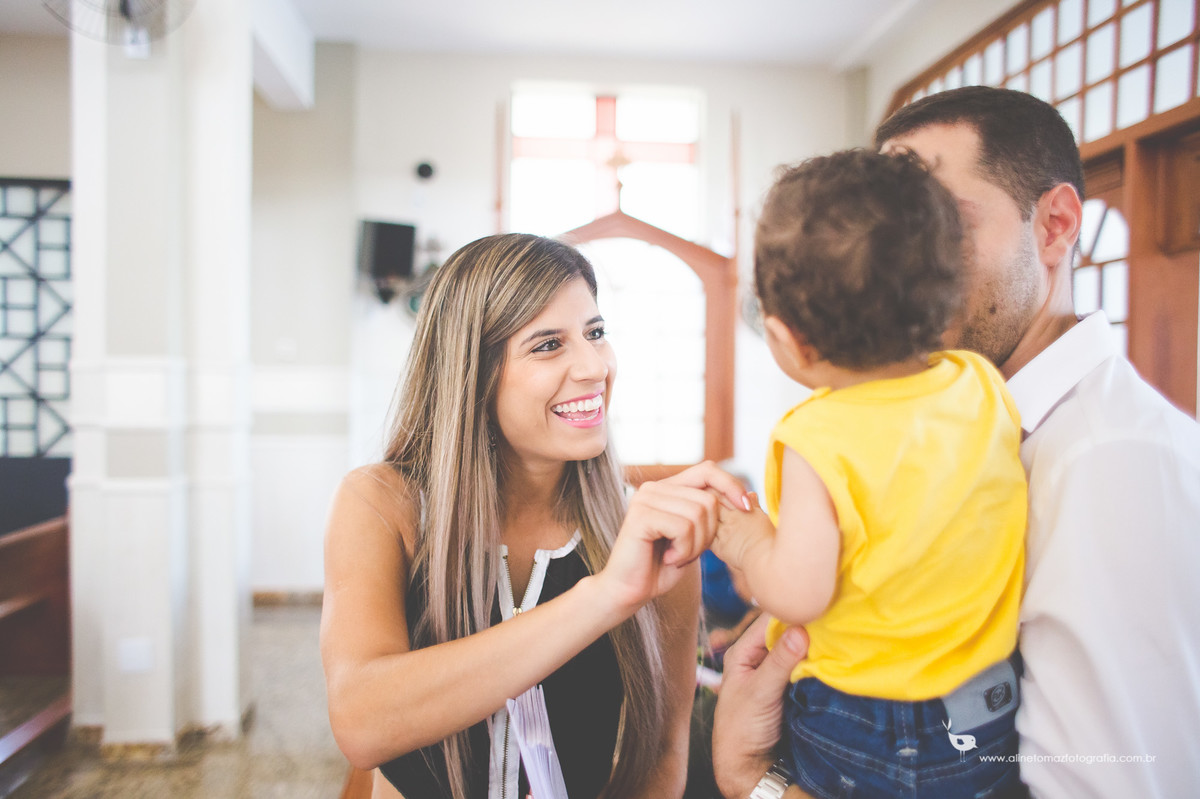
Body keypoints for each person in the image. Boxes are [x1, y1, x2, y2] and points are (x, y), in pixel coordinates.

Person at [712, 86, 1200, 799]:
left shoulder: (1115, 461)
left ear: (1056, 225)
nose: (888, 269)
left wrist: (755, 783)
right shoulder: (958, 407)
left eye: (934, 224)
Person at [319, 232, 750, 799]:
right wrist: (604, 597)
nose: (595, 366)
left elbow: (662, 755)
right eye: (549, 345)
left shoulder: (649, 542)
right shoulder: (382, 503)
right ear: (471, 370)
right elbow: (362, 722)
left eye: (596, 333)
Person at [710, 148, 1028, 798]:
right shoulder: (982, 385)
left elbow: (800, 593)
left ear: (788, 337)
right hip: (987, 705)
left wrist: (744, 540)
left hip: (865, 717)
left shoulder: (818, 437)